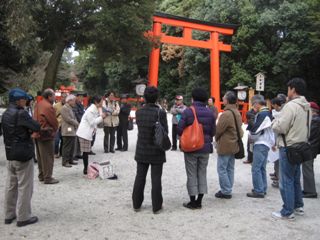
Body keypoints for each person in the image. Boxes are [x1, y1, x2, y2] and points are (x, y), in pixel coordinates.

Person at [272, 77, 311, 220]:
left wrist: (274, 123)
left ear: (293, 89)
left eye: (288, 88)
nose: (287, 91)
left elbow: (281, 127)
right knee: (295, 178)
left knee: (286, 179)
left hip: (288, 146)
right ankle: (298, 205)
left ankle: (287, 211)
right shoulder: (307, 106)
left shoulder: (291, 106)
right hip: (301, 145)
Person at [2, 88, 40, 227]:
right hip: (23, 154)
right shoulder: (21, 113)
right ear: (19, 100)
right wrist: (30, 132)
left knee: (11, 186)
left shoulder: (6, 113)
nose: (26, 101)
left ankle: (8, 214)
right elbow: (36, 126)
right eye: (24, 99)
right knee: (25, 186)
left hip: (10, 153)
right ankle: (23, 217)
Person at [177, 87, 216, 209]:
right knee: (202, 173)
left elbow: (179, 128)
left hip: (191, 148)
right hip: (205, 148)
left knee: (192, 174)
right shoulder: (210, 113)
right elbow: (213, 131)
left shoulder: (188, 111)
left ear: (193, 98)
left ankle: (192, 201)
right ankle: (199, 201)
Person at [132, 86, 168, 214]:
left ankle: (136, 204)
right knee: (156, 178)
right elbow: (165, 132)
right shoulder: (161, 113)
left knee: (140, 177)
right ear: (156, 98)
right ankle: (156, 206)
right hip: (157, 150)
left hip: (142, 149)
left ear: (144, 97)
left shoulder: (139, 112)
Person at [215, 91, 243, 199]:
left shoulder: (226, 114)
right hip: (234, 143)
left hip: (226, 144)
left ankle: (226, 190)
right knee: (230, 168)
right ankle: (228, 188)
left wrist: (216, 139)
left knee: (222, 168)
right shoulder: (236, 112)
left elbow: (218, 130)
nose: (222, 98)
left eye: (224, 97)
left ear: (227, 100)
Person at [247, 95, 274, 198]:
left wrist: (251, 135)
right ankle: (262, 188)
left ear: (257, 103)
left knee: (256, 168)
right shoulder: (268, 113)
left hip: (261, 142)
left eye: (253, 104)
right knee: (262, 167)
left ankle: (259, 190)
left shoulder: (263, 114)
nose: (253, 106)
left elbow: (256, 130)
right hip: (266, 143)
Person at [33, 89, 59, 184]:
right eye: (54, 95)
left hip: (38, 132)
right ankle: (48, 177)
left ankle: (42, 175)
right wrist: (54, 130)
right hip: (46, 133)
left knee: (40, 156)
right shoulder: (48, 106)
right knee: (48, 156)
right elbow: (53, 122)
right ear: (49, 97)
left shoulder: (39, 104)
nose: (55, 97)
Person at [76, 96, 106, 174]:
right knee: (85, 152)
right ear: (96, 102)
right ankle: (85, 169)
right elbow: (92, 122)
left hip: (87, 132)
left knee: (86, 151)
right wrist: (101, 117)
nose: (102, 103)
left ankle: (86, 168)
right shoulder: (90, 110)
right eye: (101, 101)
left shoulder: (95, 109)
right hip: (84, 133)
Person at [302, 102, 320, 198]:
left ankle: (310, 191)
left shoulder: (314, 120)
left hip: (310, 148)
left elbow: (309, 135)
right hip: (311, 147)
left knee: (307, 169)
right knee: (307, 169)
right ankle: (308, 190)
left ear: (312, 111)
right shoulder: (315, 120)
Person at [61, 94, 79, 168]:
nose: (75, 102)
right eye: (74, 101)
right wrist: (77, 123)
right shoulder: (64, 108)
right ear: (69, 101)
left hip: (72, 130)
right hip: (67, 130)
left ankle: (70, 159)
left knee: (72, 146)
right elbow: (68, 119)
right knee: (67, 147)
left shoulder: (70, 108)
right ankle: (65, 161)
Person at [269, 97, 283, 188]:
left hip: (280, 141)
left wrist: (275, 143)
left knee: (280, 163)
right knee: (278, 162)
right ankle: (278, 179)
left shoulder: (282, 114)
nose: (272, 107)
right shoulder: (279, 113)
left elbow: (278, 129)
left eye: (273, 105)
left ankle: (279, 181)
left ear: (276, 104)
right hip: (279, 141)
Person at [72, 92, 87, 158]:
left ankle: (78, 153)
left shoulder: (81, 104)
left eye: (82, 97)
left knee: (79, 140)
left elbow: (83, 113)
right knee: (75, 140)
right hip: (77, 123)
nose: (82, 98)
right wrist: (82, 121)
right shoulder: (75, 104)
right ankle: (74, 154)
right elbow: (76, 114)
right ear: (77, 97)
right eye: (81, 97)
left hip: (81, 124)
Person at [53, 92, 67, 158]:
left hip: (65, 125)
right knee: (56, 140)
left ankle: (61, 153)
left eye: (65, 97)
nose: (64, 99)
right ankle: (55, 152)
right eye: (63, 97)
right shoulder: (56, 105)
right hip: (57, 125)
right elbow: (53, 116)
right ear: (61, 98)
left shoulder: (68, 106)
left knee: (64, 140)